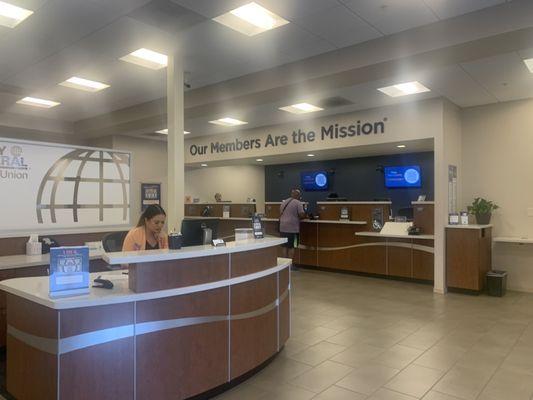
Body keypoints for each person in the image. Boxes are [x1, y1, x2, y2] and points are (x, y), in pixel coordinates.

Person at [279, 189, 306, 261]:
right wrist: (305, 215)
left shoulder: (284, 202)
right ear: (298, 195)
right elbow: (301, 215)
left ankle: (284, 265)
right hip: (293, 229)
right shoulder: (298, 203)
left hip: (282, 228)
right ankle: (290, 265)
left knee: (284, 246)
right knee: (292, 246)